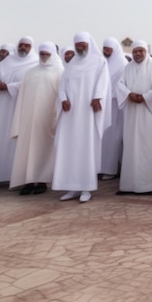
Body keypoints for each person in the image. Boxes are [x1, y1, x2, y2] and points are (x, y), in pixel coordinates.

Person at [52, 32, 111, 203]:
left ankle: (86, 187)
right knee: (70, 149)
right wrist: (63, 99)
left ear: (89, 44)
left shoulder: (99, 62)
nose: (80, 47)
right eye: (77, 44)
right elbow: (62, 85)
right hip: (71, 115)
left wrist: (97, 97)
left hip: (87, 113)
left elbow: (103, 83)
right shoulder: (71, 65)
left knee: (86, 149)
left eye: (83, 44)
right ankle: (72, 187)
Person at [9, 43, 63, 195]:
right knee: (28, 150)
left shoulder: (60, 71)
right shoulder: (31, 72)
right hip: (28, 118)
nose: (44, 56)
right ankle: (29, 181)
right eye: (42, 53)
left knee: (43, 149)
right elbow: (22, 96)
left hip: (47, 119)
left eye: (47, 53)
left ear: (52, 53)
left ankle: (42, 181)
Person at [116, 40, 152, 195]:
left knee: (148, 147)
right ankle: (128, 185)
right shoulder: (127, 68)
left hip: (148, 113)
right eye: (135, 51)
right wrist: (129, 94)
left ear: (146, 51)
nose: (138, 54)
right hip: (132, 113)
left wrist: (145, 97)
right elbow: (119, 85)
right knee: (131, 147)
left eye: (141, 51)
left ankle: (149, 185)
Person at [0, 37, 38, 188]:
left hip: (20, 107)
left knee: (16, 141)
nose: (24, 48)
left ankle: (15, 177)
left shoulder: (35, 62)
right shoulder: (6, 62)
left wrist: (9, 87)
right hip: (2, 107)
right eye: (21, 45)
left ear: (31, 47)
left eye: (27, 46)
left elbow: (32, 83)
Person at [100, 37, 127, 180]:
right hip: (102, 106)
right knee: (102, 137)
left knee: (114, 138)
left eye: (109, 49)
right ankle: (102, 167)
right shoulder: (103, 63)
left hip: (116, 107)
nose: (106, 51)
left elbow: (122, 86)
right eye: (105, 48)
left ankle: (111, 169)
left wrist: (109, 95)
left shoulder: (122, 64)